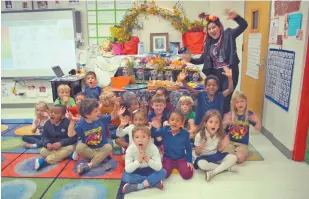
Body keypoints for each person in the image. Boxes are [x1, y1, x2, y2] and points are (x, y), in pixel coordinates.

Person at [181, 9, 248, 113]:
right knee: (214, 98)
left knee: (225, 99)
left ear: (220, 27)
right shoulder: (208, 43)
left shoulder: (229, 35)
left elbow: (244, 25)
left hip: (229, 73)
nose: (212, 30)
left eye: (214, 27)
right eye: (209, 29)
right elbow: (202, 59)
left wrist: (236, 17)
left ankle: (223, 125)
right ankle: (215, 123)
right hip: (215, 75)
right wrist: (191, 60)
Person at [73, 98, 125, 175]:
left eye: (98, 110)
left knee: (109, 146)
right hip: (90, 150)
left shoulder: (101, 119)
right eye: (96, 111)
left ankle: (89, 165)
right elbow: (79, 138)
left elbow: (112, 116)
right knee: (79, 147)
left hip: (102, 148)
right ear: (87, 115)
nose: (99, 112)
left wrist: (116, 107)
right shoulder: (79, 125)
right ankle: (101, 159)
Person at [194, 110, 237, 182]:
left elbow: (219, 150)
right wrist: (201, 145)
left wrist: (224, 146)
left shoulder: (219, 135)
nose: (214, 124)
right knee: (202, 165)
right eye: (211, 122)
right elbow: (197, 153)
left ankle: (213, 172)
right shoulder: (199, 135)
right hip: (204, 157)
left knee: (233, 157)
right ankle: (226, 168)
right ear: (205, 124)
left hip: (215, 155)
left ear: (219, 125)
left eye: (216, 122)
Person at [151, 110, 194, 180]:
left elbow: (188, 149)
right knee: (164, 174)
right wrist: (154, 127)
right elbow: (153, 134)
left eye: (177, 120)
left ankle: (181, 165)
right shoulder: (165, 130)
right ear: (168, 121)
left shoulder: (185, 134)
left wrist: (189, 161)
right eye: (172, 120)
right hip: (168, 157)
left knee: (188, 174)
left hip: (181, 158)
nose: (174, 122)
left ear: (182, 123)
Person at [122, 126, 166, 194]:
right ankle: (153, 182)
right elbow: (128, 169)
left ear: (149, 138)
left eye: (143, 137)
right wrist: (138, 161)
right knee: (125, 176)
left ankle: (140, 186)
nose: (140, 140)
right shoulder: (130, 149)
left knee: (163, 172)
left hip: (150, 169)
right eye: (137, 137)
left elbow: (159, 167)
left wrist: (148, 160)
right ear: (133, 139)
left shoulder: (153, 148)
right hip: (137, 171)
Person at [35, 105, 77, 170]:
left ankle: (45, 162)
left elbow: (73, 138)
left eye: (56, 113)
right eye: (51, 112)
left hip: (67, 145)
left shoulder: (68, 122)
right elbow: (44, 137)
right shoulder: (47, 124)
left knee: (70, 148)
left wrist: (61, 143)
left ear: (63, 116)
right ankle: (68, 156)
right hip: (54, 147)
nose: (53, 114)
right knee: (42, 151)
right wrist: (47, 144)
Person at [223, 91, 261, 163]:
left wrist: (256, 121)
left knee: (239, 158)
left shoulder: (249, 114)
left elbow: (258, 128)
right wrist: (226, 122)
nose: (240, 104)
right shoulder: (230, 114)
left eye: (242, 101)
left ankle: (236, 156)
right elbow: (221, 130)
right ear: (234, 105)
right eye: (237, 102)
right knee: (223, 155)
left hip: (243, 144)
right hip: (230, 142)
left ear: (246, 102)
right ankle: (231, 158)